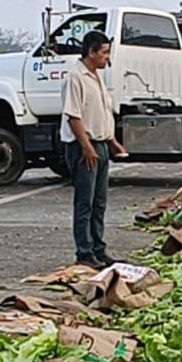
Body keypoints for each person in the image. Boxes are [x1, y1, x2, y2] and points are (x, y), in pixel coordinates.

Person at [60, 29, 128, 267]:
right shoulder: (76, 77)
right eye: (105, 53)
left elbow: (102, 112)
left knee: (100, 202)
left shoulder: (96, 76)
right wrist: (87, 147)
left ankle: (99, 248)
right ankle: (84, 252)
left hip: (100, 145)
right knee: (85, 202)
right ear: (91, 52)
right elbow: (73, 116)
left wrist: (111, 141)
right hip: (83, 147)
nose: (107, 58)